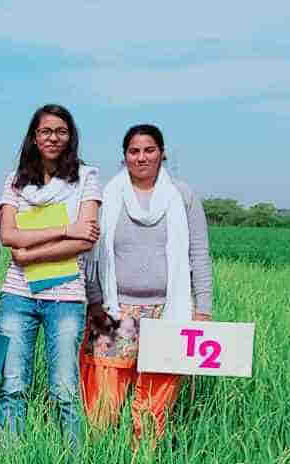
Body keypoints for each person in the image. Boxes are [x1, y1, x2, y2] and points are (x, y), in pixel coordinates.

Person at [83, 124, 213, 441]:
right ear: (125, 157)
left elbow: (199, 253)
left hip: (168, 312)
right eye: (134, 151)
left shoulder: (182, 196)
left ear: (162, 154)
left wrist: (204, 309)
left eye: (149, 150)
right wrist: (95, 301)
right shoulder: (107, 196)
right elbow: (91, 253)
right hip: (115, 310)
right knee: (105, 397)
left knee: (156, 398)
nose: (141, 157)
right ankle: (101, 459)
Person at [0, 104, 101, 453]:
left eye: (60, 131)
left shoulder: (86, 177)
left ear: (70, 136)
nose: (53, 137)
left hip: (67, 297)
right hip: (17, 295)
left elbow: (85, 239)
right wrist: (65, 229)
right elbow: (8, 236)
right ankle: (11, 463)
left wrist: (29, 253)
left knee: (65, 388)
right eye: (45, 131)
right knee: (12, 386)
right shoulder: (14, 181)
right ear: (34, 136)